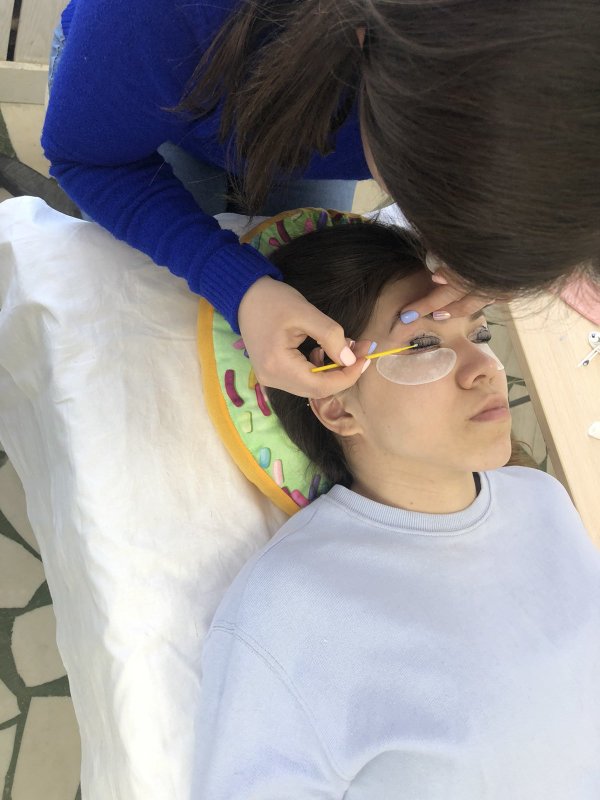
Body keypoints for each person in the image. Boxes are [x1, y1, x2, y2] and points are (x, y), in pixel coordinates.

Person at [193, 221, 600, 799]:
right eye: (424, 345)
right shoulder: (288, 607)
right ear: (336, 408)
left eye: (479, 331)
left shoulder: (541, 500)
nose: (486, 367)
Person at [42, 0, 600, 398]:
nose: (486, 371)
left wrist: (505, 260)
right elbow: (88, 159)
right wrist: (234, 282)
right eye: (421, 344)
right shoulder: (157, 18)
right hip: (129, 85)